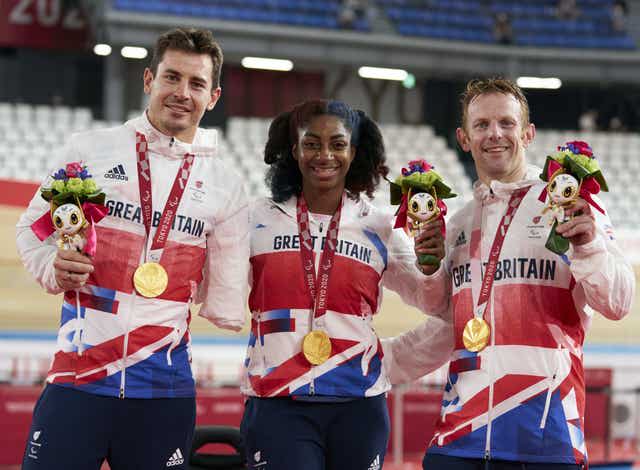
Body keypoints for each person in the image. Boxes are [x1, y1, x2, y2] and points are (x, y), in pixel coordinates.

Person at [16, 27, 249, 470]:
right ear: (148, 80)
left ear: (213, 96)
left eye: (196, 84)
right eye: (171, 77)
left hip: (163, 390)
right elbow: (32, 230)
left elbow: (220, 291)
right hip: (76, 379)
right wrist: (53, 265)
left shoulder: (226, 187)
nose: (182, 93)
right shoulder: (89, 152)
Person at [405, 78, 635, 469]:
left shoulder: (570, 207)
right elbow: (443, 315)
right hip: (459, 437)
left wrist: (589, 246)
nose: (494, 134)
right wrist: (428, 272)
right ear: (464, 138)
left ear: (528, 134)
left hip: (545, 436)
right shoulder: (456, 224)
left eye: (506, 123)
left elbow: (619, 302)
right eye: (482, 125)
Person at [239, 99, 451, 470]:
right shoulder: (257, 219)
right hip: (278, 402)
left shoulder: (379, 226)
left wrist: (431, 265)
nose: (325, 155)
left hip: (359, 406)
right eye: (311, 143)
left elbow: (435, 303)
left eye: (337, 144)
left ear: (353, 152)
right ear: (294, 150)